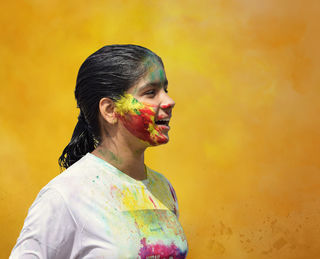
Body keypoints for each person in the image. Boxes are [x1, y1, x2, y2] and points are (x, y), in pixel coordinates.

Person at [10, 44, 188, 258]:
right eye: (151, 92)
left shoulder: (163, 188)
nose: (169, 101)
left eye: (165, 90)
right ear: (110, 110)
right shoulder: (66, 195)